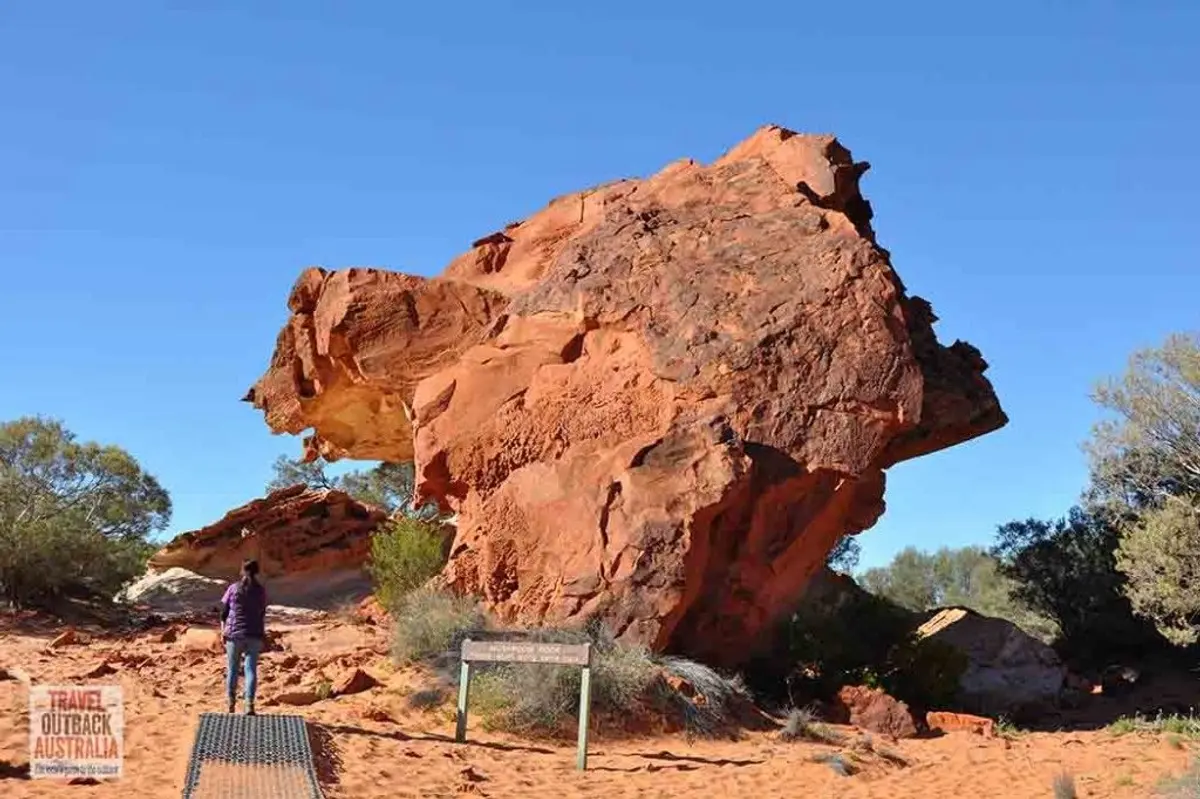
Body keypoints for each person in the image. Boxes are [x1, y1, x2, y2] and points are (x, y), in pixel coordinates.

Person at [220, 559, 268, 715]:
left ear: (242, 570)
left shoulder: (233, 589)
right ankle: (249, 705)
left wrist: (223, 631)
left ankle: (231, 704)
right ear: (257, 571)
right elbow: (262, 613)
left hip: (234, 634)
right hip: (254, 634)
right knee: (251, 669)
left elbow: (224, 612)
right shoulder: (261, 591)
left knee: (233, 669)